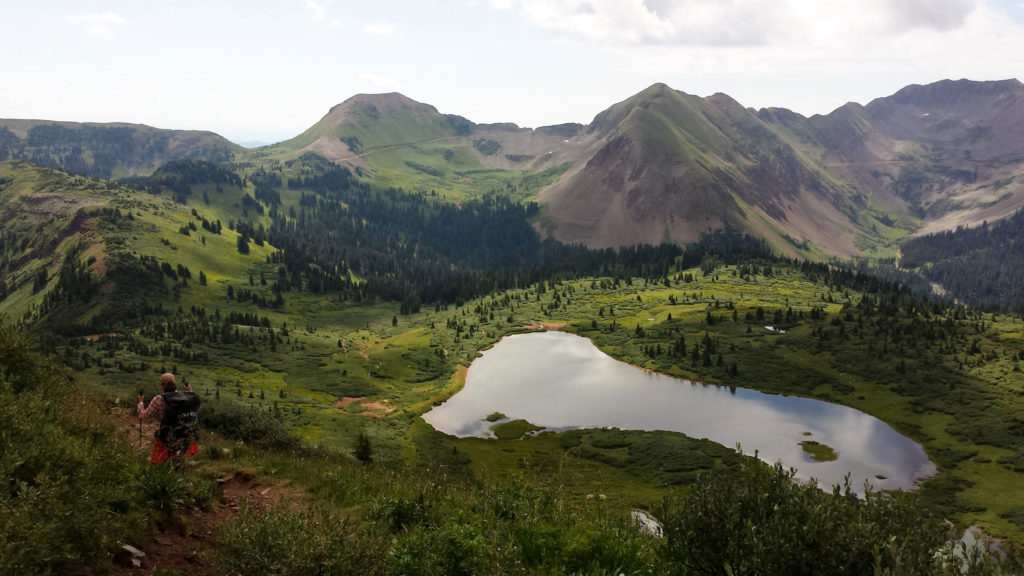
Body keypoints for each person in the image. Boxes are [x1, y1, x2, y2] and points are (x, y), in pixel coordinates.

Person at [138, 372, 200, 464]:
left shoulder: (159, 398)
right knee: (179, 461)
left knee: (159, 464)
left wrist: (140, 403)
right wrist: (189, 391)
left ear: (162, 385)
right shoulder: (185, 396)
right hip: (184, 433)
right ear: (174, 383)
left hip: (165, 435)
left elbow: (144, 415)